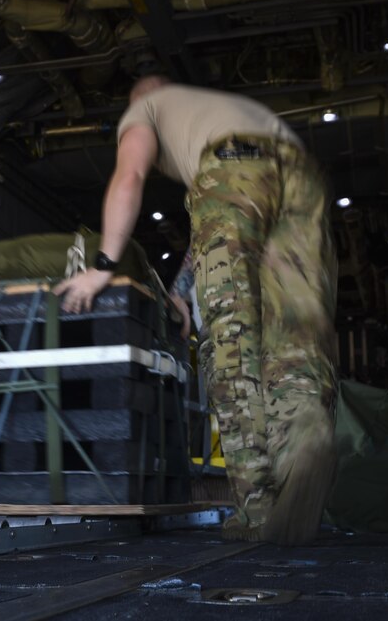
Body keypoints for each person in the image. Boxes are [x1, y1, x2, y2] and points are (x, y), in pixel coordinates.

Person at [54, 76, 338, 544]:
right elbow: (227, 220)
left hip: (232, 167)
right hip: (301, 175)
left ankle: (259, 509)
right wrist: (181, 290)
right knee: (296, 331)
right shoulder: (221, 106)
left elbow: (131, 176)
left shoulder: (146, 109)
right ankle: (304, 428)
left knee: (231, 340)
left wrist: (103, 265)